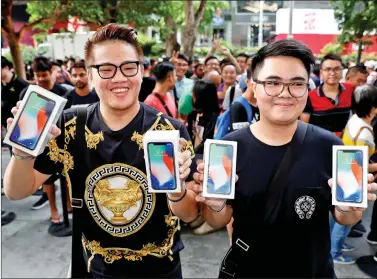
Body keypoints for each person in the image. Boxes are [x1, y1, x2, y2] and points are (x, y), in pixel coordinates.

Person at [4, 23, 197, 278]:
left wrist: (177, 191)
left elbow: (191, 213)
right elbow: (16, 191)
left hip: (161, 268)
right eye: (106, 69)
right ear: (90, 75)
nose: (119, 78)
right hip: (96, 268)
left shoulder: (168, 130)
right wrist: (23, 154)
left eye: (129, 67)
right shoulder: (68, 127)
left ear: (142, 72)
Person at [181, 39, 377, 278]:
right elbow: (216, 218)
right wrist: (214, 204)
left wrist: (351, 207)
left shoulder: (331, 148)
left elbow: (347, 217)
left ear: (308, 87)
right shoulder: (228, 149)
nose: (285, 93)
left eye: (297, 84)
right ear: (254, 85)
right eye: (273, 83)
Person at [19, 56, 68, 227]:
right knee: (47, 182)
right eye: (37, 75)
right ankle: (53, 209)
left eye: (44, 74)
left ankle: (68, 204)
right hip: (40, 147)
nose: (40, 79)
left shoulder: (63, 92)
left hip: (63, 145)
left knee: (67, 178)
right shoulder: (28, 93)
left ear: (51, 72)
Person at [330, 85, 377, 264]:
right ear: (372, 108)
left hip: (344, 170)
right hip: (354, 177)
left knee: (337, 215)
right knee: (345, 220)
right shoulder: (365, 133)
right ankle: (335, 253)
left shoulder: (354, 120)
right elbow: (362, 165)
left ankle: (334, 246)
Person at [300, 54, 354, 137]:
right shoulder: (309, 97)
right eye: (328, 69)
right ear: (321, 72)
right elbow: (303, 128)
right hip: (319, 144)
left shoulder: (350, 90)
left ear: (342, 71)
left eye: (337, 69)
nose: (332, 73)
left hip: (343, 146)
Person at [1, 56, 28, 136]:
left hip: (20, 126)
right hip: (6, 125)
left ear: (6, 68)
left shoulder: (21, 84)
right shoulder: (2, 83)